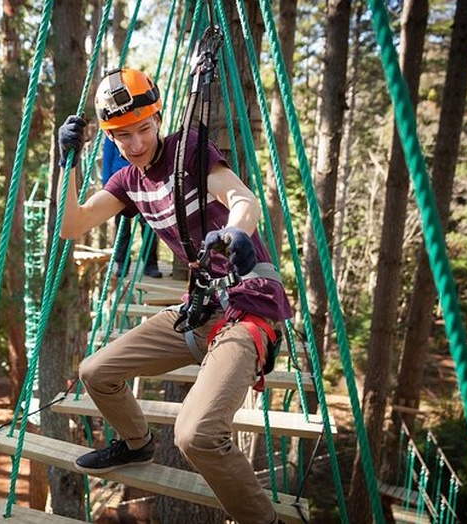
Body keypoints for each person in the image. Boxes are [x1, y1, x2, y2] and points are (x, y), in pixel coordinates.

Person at [57, 68, 292, 524]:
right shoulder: (128, 181)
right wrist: (66, 162)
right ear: (110, 136)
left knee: (196, 435)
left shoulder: (190, 151)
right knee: (95, 371)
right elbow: (73, 225)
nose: (137, 143)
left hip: (248, 309)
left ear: (158, 118)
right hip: (200, 310)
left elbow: (243, 199)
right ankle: (136, 443)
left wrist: (233, 233)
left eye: (144, 128)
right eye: (123, 135)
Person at [102, 136, 162, 278]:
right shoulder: (111, 135)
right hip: (120, 185)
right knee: (122, 228)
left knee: (149, 226)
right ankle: (122, 264)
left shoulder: (139, 131)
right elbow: (107, 159)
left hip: (143, 180)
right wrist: (107, 188)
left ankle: (150, 264)